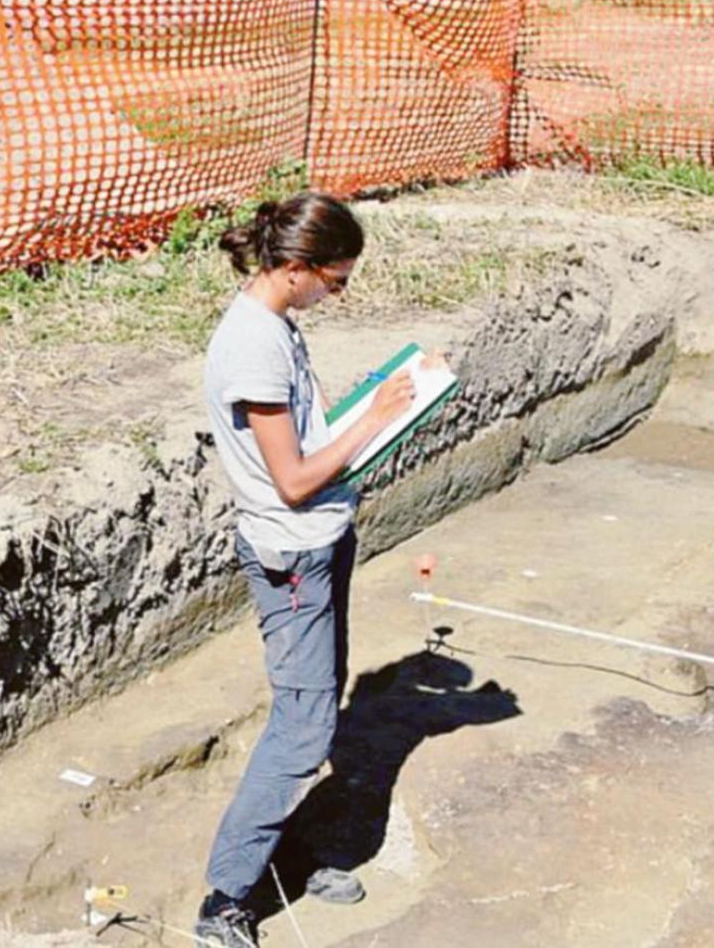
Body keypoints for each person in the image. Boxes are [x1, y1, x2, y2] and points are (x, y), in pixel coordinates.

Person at [195, 192, 436, 946]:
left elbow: (317, 431)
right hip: (292, 551)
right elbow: (293, 478)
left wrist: (381, 399)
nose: (340, 293)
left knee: (321, 701)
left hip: (321, 539)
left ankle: (280, 854)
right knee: (302, 733)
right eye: (336, 280)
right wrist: (375, 418)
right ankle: (226, 896)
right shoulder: (252, 347)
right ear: (295, 267)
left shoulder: (279, 325)